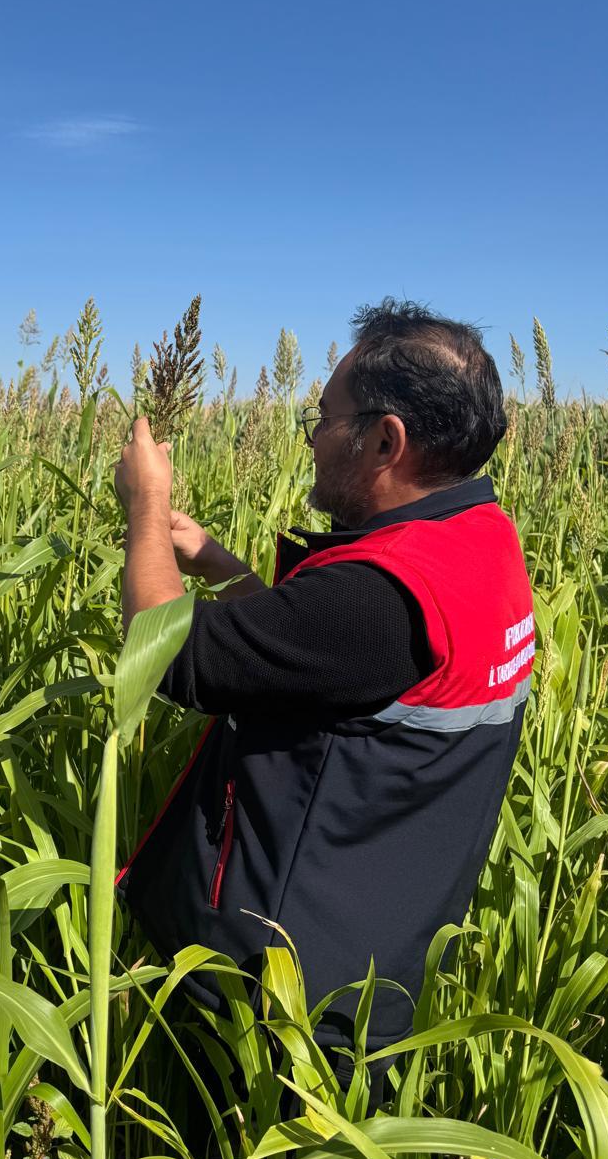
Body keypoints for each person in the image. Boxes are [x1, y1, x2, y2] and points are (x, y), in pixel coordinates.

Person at [113, 299, 533, 1089]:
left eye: (324, 416)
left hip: (274, 1003)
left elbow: (161, 655)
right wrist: (219, 564)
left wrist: (142, 509)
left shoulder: (377, 599)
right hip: (370, 954)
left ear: (386, 440)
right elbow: (326, 665)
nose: (311, 434)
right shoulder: (479, 543)